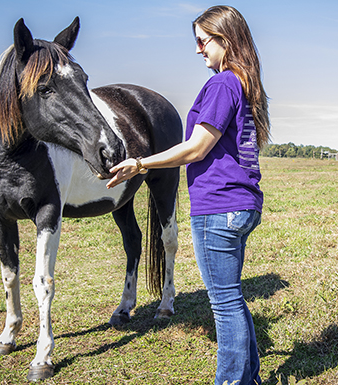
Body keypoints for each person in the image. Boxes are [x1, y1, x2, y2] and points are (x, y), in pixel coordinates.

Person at [106, 5, 270, 384]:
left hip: (219, 207)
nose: (198, 49)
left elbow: (197, 148)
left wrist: (141, 164)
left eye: (202, 40)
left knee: (224, 304)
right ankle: (250, 378)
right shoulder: (244, 84)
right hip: (242, 204)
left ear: (224, 39)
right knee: (232, 298)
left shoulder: (222, 84)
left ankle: (231, 381)